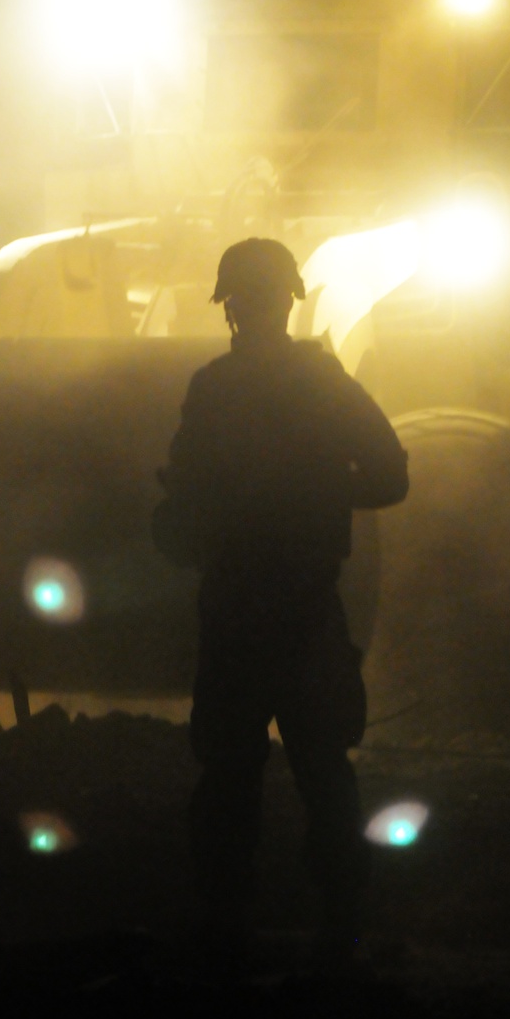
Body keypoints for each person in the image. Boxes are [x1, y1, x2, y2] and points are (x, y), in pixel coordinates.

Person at [153, 237, 409, 963]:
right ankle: (338, 926)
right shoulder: (323, 384)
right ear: (289, 300)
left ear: (231, 306)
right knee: (324, 770)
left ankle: (228, 923)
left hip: (237, 610)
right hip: (302, 608)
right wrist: (325, 491)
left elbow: (183, 501)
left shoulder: (213, 389)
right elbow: (391, 477)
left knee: (231, 774)